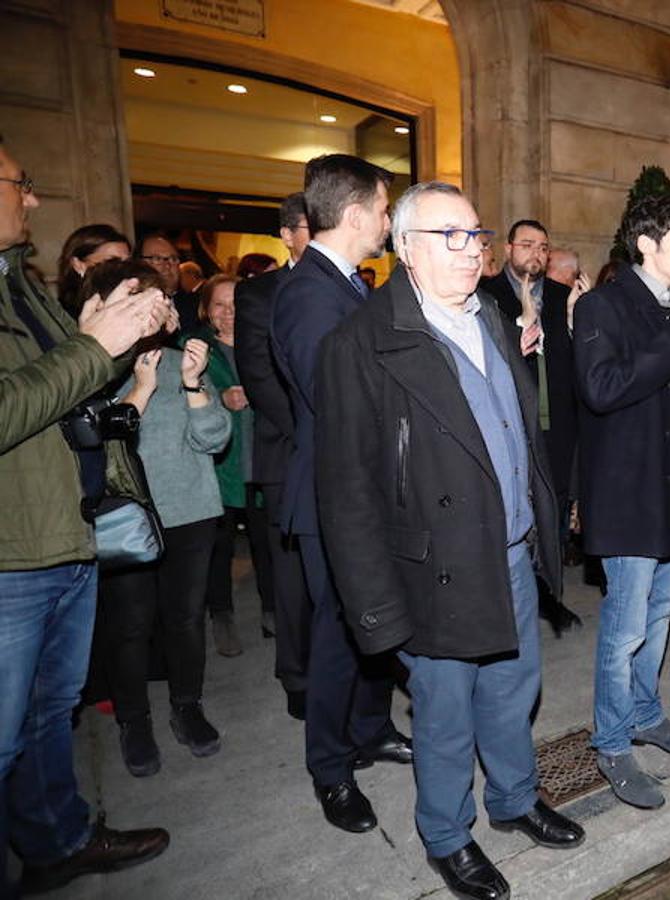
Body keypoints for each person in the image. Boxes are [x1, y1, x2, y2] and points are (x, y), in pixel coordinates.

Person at [316, 180, 583, 900]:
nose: (471, 251)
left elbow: (515, 432)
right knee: (444, 713)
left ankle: (516, 798)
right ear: (405, 248)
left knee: (512, 689)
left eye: (476, 235)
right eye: (450, 237)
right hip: (435, 565)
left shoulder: (493, 317)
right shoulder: (362, 344)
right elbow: (344, 492)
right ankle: (446, 835)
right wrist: (375, 607)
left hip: (512, 552)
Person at [0, 135, 172, 894]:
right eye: (20, 182)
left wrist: (108, 338)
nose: (32, 197)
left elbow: (68, 391)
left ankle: (57, 842)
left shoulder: (21, 284)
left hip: (69, 530)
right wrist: (93, 346)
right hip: (11, 554)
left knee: (49, 714)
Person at [272, 154, 409, 833]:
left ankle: (371, 727)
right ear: (356, 216)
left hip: (364, 488)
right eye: (385, 210)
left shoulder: (348, 284)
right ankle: (330, 768)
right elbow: (336, 396)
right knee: (337, 636)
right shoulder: (306, 294)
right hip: (333, 494)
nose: (388, 221)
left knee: (374, 624)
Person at [573, 195, 670, 809]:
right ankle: (610, 742)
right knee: (625, 625)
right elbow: (603, 390)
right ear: (647, 244)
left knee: (660, 613)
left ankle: (645, 713)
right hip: (629, 491)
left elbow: (665, 402)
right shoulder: (603, 305)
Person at [90, 259, 232, 778]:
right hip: (126, 518)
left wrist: (194, 385)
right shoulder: (94, 368)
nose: (163, 311)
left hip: (190, 512)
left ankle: (187, 706)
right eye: (150, 303)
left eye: (165, 302)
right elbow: (100, 447)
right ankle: (134, 720)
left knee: (184, 619)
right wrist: (140, 390)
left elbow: (215, 439)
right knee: (129, 626)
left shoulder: (182, 362)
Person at [478, 219, 585, 635]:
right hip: (507, 423)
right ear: (508, 249)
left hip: (557, 425)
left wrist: (578, 322)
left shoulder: (562, 297)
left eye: (543, 247)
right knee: (511, 512)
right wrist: (519, 327)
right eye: (527, 245)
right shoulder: (486, 295)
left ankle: (550, 596)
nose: (536, 254)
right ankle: (511, 600)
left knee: (553, 510)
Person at [234, 191, 311, 719]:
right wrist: (317, 432)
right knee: (293, 577)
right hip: (289, 453)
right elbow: (260, 378)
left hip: (342, 455)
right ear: (286, 235)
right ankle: (298, 675)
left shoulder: (356, 289)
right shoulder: (260, 294)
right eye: (311, 226)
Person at [193, 274, 273, 659]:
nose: (229, 314)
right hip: (218, 464)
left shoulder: (266, 342)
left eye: (236, 304)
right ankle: (221, 614)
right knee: (218, 547)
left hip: (263, 458)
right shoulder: (195, 350)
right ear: (206, 310)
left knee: (268, 543)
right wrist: (215, 398)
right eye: (220, 305)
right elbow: (181, 397)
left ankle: (273, 610)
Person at [56, 223, 132, 316]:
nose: (124, 269)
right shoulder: (63, 315)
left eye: (127, 262)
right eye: (112, 262)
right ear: (78, 265)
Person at [136, 233, 198, 332]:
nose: (168, 265)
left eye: (173, 259)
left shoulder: (194, 306)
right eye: (157, 259)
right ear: (139, 264)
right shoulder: (132, 309)